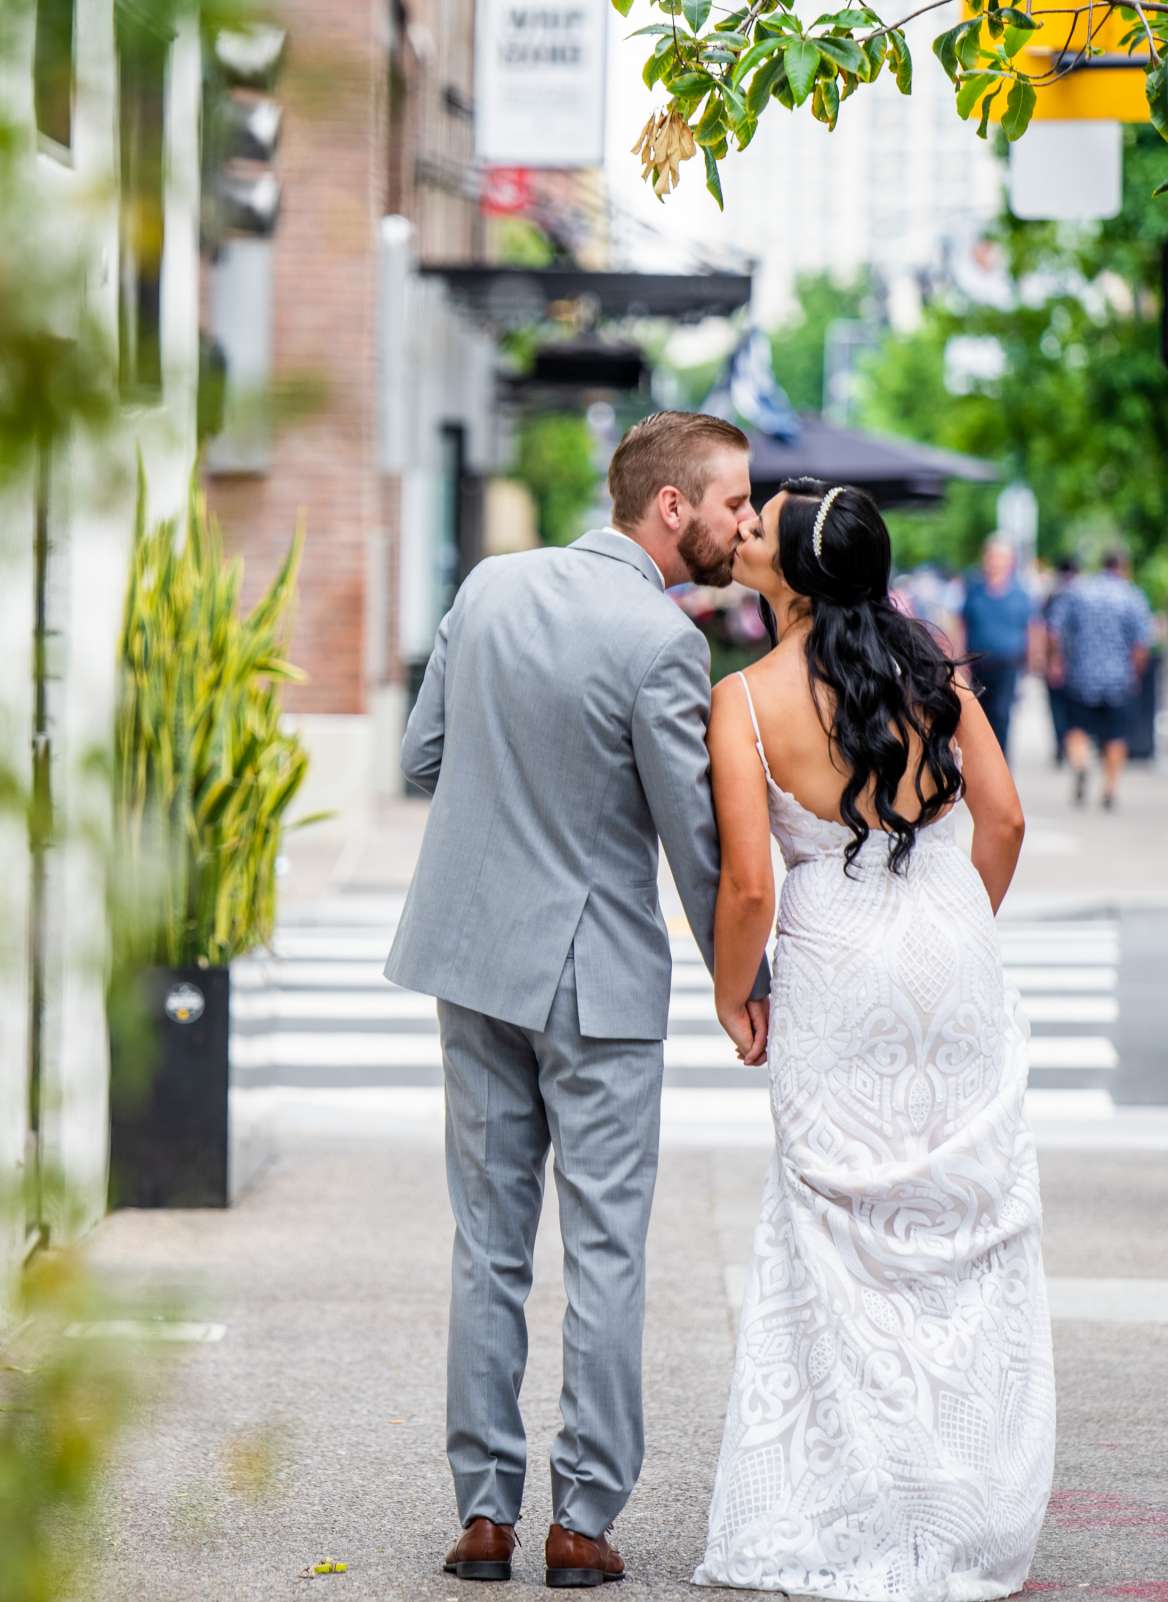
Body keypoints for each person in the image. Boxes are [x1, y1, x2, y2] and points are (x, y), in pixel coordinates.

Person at [386, 411, 769, 1587]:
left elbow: (419, 759)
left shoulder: (490, 589)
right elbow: (693, 839)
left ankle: (485, 1515)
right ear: (670, 507)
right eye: (732, 504)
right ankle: (581, 1520)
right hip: (593, 978)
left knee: (487, 1245)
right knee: (605, 1250)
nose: (742, 526)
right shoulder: (661, 643)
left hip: (471, 958)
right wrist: (738, 978)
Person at [695, 479, 1054, 1601]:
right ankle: (966, 1508)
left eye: (759, 521)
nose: (741, 526)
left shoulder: (745, 702)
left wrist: (730, 993)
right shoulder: (935, 674)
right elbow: (1003, 820)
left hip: (835, 962)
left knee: (838, 1235)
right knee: (966, 1227)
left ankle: (854, 1506)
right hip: (952, 944)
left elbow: (752, 884)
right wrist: (951, 926)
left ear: (795, 571)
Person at [1049, 550, 1153, 810]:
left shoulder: (1079, 592)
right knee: (1116, 736)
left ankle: (1081, 764)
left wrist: (1057, 660)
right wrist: (1136, 671)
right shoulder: (1131, 595)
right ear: (1123, 566)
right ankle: (1110, 787)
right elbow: (1142, 641)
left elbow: (1054, 628)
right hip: (1118, 678)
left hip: (1081, 675)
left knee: (1077, 729)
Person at [957, 537, 1038, 761]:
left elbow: (1031, 629)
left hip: (1007, 663)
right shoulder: (974, 590)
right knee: (979, 716)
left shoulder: (1020, 594)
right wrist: (960, 661)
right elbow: (962, 625)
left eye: (999, 557)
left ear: (1009, 562)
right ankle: (982, 762)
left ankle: (1001, 761)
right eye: (990, 556)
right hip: (978, 662)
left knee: (1002, 715)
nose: (993, 561)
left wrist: (1032, 662)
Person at [1038, 554, 1079, 767]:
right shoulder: (1080, 593)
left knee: (1057, 708)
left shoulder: (1055, 594)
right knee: (1072, 708)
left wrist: (1052, 660)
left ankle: (1063, 746)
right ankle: (1071, 747)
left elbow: (1051, 629)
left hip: (1059, 661)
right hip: (1078, 664)